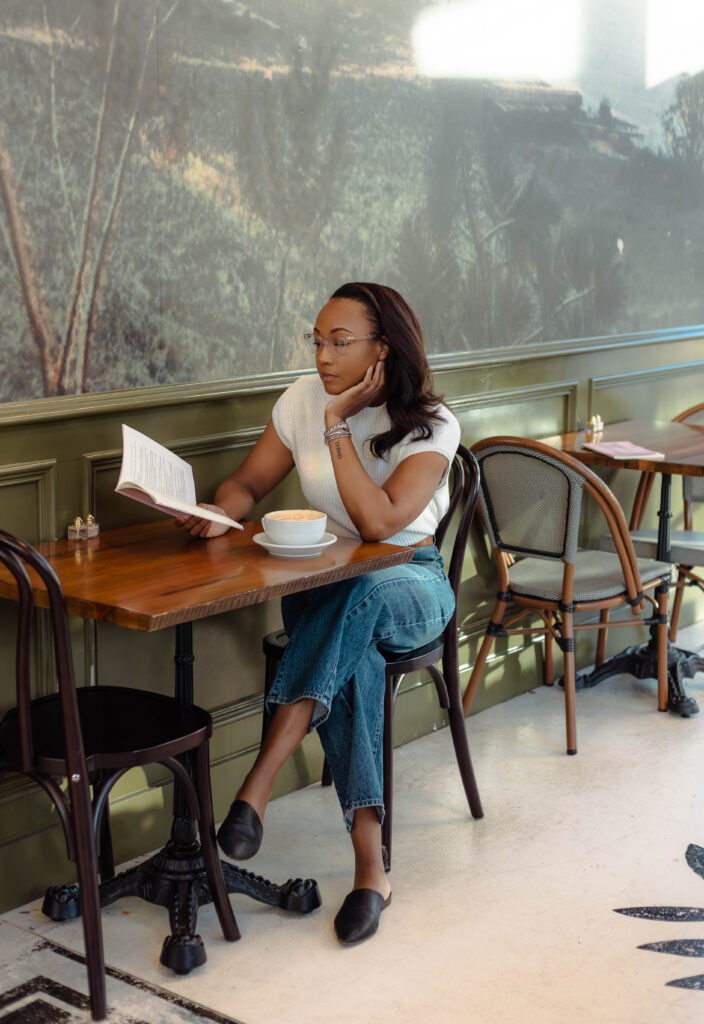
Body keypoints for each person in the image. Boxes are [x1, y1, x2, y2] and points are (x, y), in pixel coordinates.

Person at [177, 282, 460, 945]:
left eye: (340, 342)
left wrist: (339, 426)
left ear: (381, 349)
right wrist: (221, 512)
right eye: (318, 340)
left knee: (359, 597)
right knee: (352, 648)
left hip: (410, 583)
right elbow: (247, 482)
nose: (323, 356)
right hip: (325, 588)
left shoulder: (433, 422)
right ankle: (371, 871)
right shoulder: (300, 401)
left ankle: (259, 780)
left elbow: (380, 521)